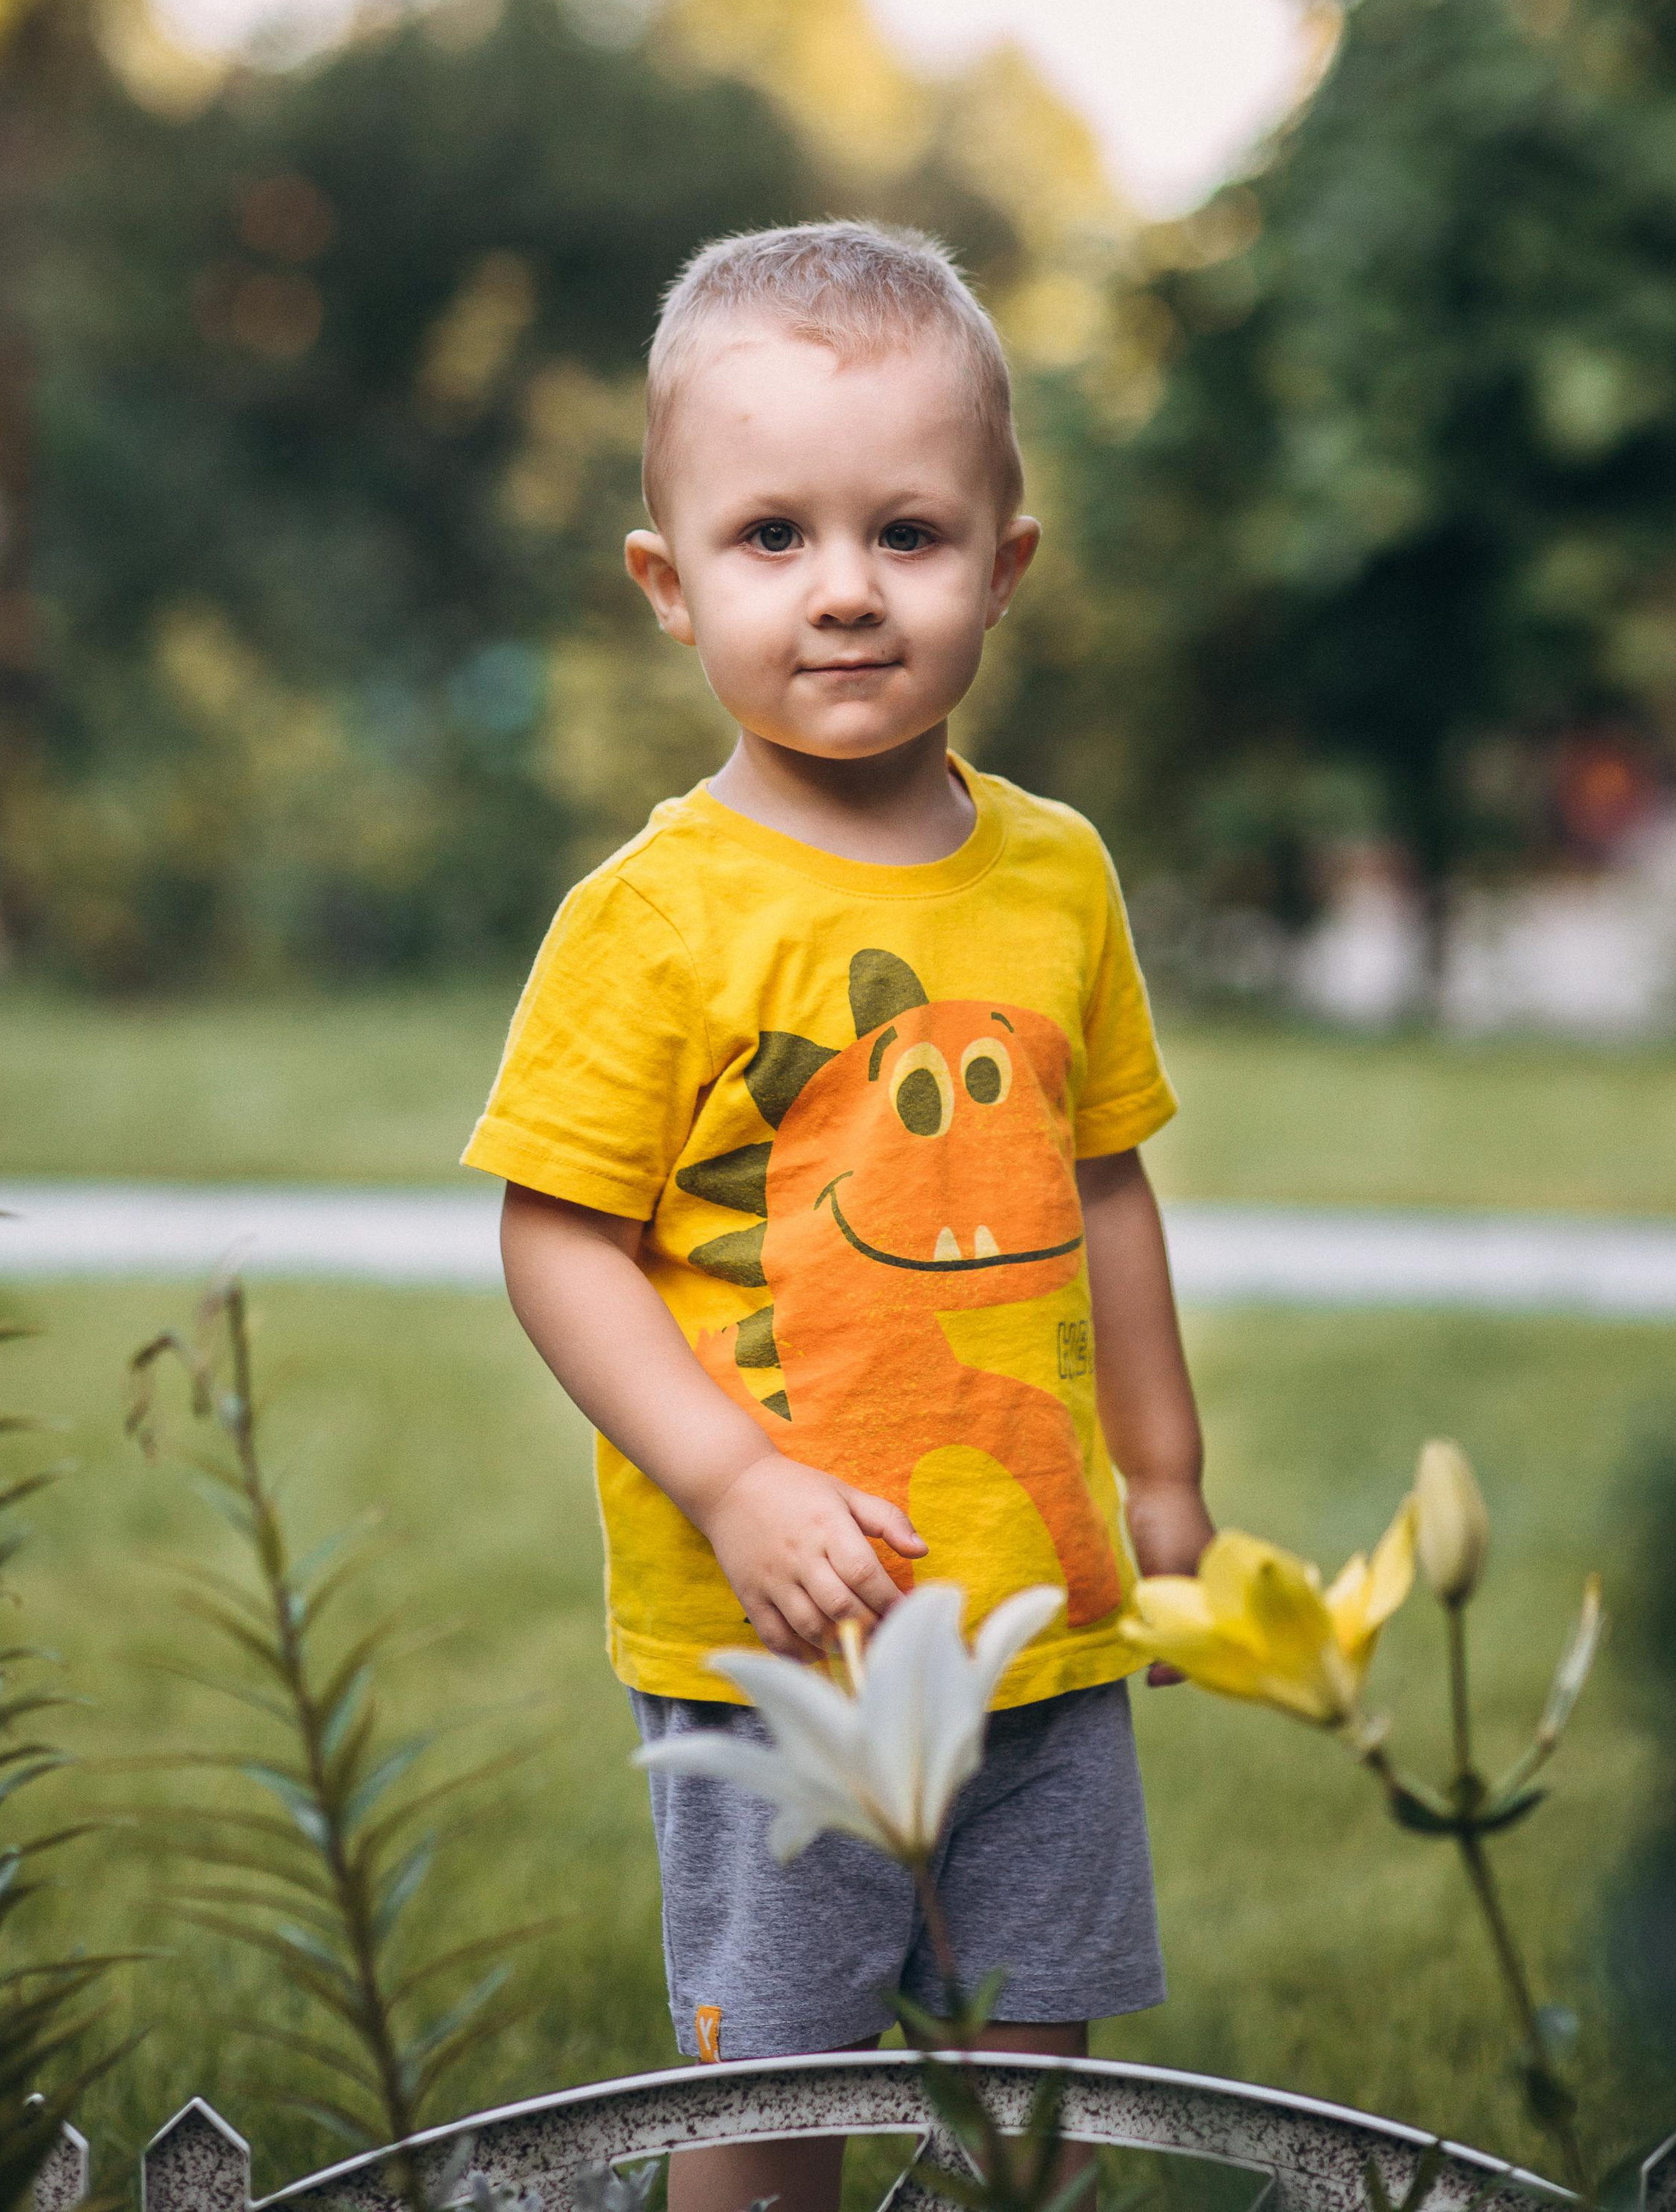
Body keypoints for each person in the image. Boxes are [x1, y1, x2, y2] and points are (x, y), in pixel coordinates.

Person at [465, 221, 1213, 2212]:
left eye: (909, 533)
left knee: (1029, 2091)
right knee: (766, 2098)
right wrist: (729, 1479)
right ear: (668, 584)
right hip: (770, 1642)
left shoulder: (1057, 882)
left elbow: (1107, 1186)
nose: (848, 593)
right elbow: (557, 1239)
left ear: (1007, 567)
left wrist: (1162, 1482)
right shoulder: (656, 919)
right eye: (772, 538)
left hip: (1034, 1622)